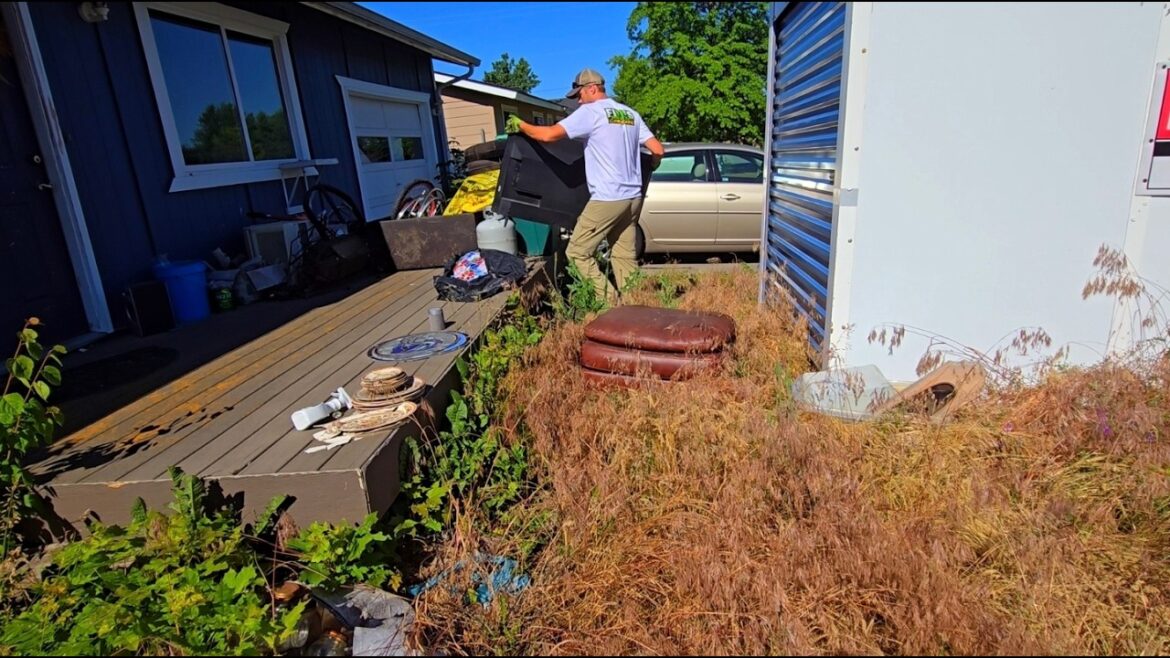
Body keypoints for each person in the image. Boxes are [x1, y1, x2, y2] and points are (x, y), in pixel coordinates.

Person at [507, 68, 664, 301]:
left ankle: (610, 304)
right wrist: (652, 164)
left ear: (592, 89)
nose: (578, 101)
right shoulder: (630, 114)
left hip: (608, 198)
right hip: (633, 198)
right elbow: (658, 150)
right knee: (623, 258)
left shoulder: (591, 112)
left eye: (579, 95)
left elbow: (548, 135)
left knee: (577, 252)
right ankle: (637, 308)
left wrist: (521, 125)